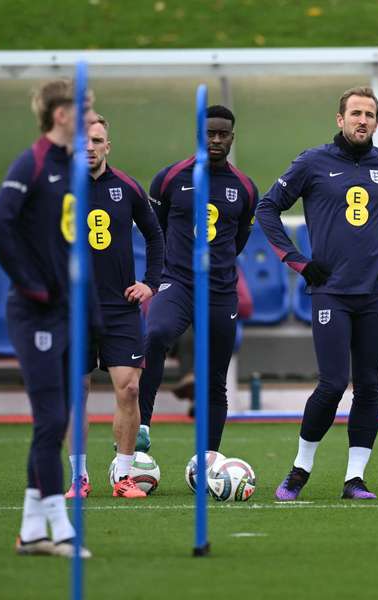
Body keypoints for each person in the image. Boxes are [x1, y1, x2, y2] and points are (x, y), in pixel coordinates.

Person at [257, 86, 378, 500]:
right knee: (333, 383)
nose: (362, 120)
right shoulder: (313, 162)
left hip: (375, 294)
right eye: (355, 113)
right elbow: (267, 208)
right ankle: (300, 469)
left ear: (376, 121)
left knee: (369, 386)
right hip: (330, 293)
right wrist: (298, 260)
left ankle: (355, 479)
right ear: (340, 119)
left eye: (370, 114)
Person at [0, 79, 95, 558]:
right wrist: (32, 284)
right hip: (35, 314)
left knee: (58, 418)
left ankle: (32, 531)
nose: (92, 116)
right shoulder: (30, 163)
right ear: (60, 114)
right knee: (51, 420)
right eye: (85, 108)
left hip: (67, 312)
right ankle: (60, 526)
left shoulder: (72, 167)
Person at [137, 105, 258, 452]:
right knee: (157, 333)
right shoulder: (169, 178)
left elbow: (237, 242)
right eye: (210, 133)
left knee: (215, 379)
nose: (216, 139)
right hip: (177, 282)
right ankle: (142, 425)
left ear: (232, 138)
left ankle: (208, 458)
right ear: (199, 135)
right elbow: (154, 231)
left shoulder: (246, 188)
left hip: (220, 289)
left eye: (223, 134)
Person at [64, 114, 164, 499]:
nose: (89, 147)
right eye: (82, 141)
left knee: (129, 390)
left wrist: (150, 284)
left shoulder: (128, 187)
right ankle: (79, 477)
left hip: (120, 308)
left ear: (108, 145)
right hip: (75, 309)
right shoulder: (60, 190)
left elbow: (156, 237)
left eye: (97, 140)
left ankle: (123, 477)